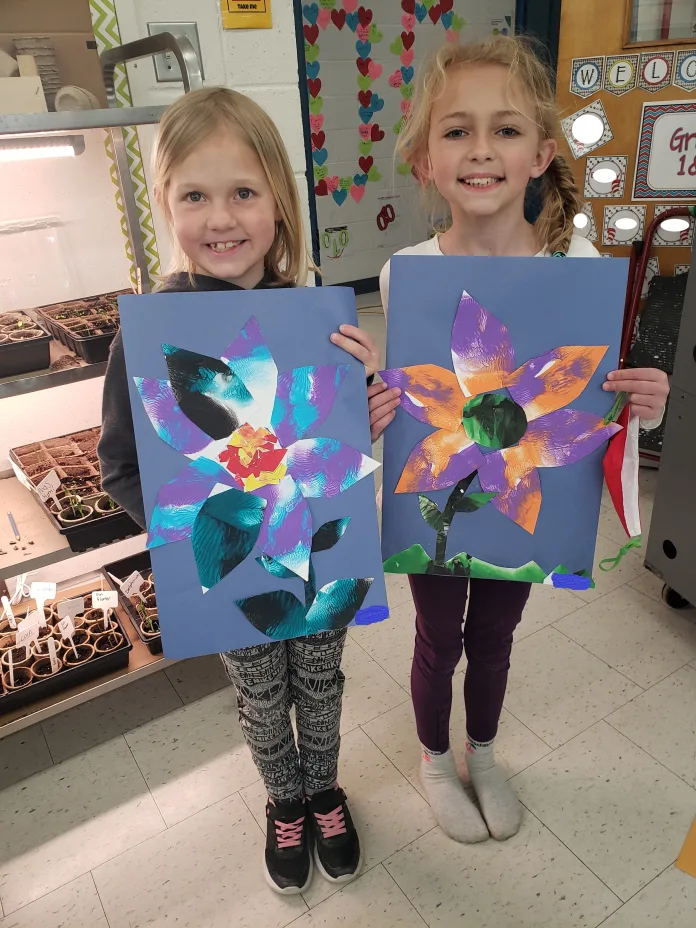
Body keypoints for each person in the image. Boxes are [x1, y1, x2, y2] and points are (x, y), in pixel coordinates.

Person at [369, 36, 669, 844]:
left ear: (541, 154)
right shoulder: (407, 271)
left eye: (504, 131)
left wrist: (646, 401)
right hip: (443, 491)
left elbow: (596, 403)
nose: (480, 150)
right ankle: (436, 760)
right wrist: (370, 412)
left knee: (495, 636)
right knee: (438, 636)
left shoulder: (578, 264)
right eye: (456, 130)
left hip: (525, 492)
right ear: (426, 159)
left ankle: (485, 751)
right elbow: (412, 400)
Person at [98, 87, 379, 894]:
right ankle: (285, 802)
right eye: (195, 195)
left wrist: (365, 401)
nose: (220, 218)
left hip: (320, 552)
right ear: (166, 207)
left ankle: (326, 789)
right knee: (260, 692)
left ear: (280, 206)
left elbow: (340, 449)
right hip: (228, 557)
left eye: (243, 193)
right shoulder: (148, 333)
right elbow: (121, 462)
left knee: (321, 676)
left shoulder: (319, 317)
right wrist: (191, 533)